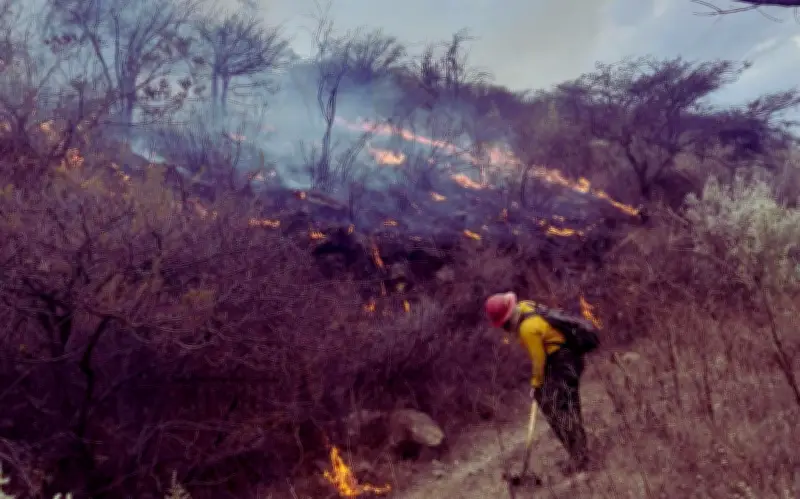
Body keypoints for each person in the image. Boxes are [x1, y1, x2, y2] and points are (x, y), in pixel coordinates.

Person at [485, 291, 590, 474]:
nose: (504, 329)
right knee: (567, 405)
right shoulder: (525, 306)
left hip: (563, 362)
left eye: (503, 324)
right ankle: (579, 452)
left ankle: (579, 457)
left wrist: (536, 384)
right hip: (567, 358)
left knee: (558, 408)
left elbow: (538, 359)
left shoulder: (527, 328)